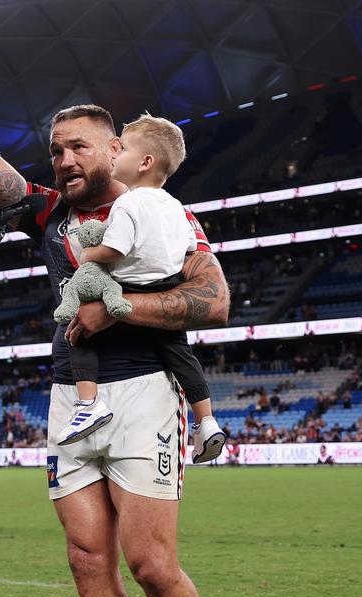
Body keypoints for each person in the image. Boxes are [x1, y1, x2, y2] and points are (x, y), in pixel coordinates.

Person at [0, 33, 229, 597]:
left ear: (114, 149)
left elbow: (215, 301)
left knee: (150, 564)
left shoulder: (165, 213)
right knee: (87, 561)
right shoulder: (47, 213)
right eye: (56, 149)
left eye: (78, 147)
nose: (63, 159)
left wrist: (112, 308)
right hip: (71, 399)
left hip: (146, 392)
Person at [52, 114, 225, 464]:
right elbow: (188, 247)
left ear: (145, 163)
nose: (116, 153)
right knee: (181, 356)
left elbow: (114, 249)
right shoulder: (176, 206)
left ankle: (88, 404)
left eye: (124, 148)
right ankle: (206, 421)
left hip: (127, 283)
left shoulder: (128, 203)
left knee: (79, 331)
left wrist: (90, 253)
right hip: (166, 284)